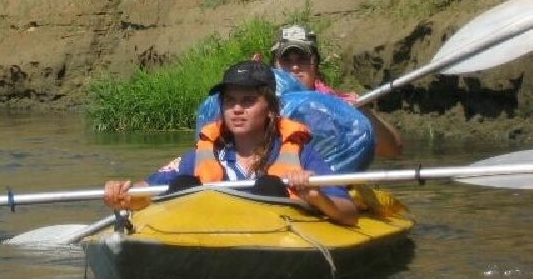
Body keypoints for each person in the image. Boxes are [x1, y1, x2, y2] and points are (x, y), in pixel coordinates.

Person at [104, 60, 359, 226]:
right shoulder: (206, 153)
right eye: (230, 101)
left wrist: (315, 196)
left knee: (269, 187)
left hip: (270, 243)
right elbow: (146, 191)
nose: (237, 109)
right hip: (210, 239)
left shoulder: (299, 152)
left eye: (248, 101)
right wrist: (124, 195)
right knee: (183, 184)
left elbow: (348, 213)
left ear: (270, 109)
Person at [271, 25, 403, 158]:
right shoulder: (260, 104)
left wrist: (365, 114)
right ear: (274, 66)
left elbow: (393, 151)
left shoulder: (340, 106)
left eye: (302, 59)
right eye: (286, 60)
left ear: (315, 64)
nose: (295, 67)